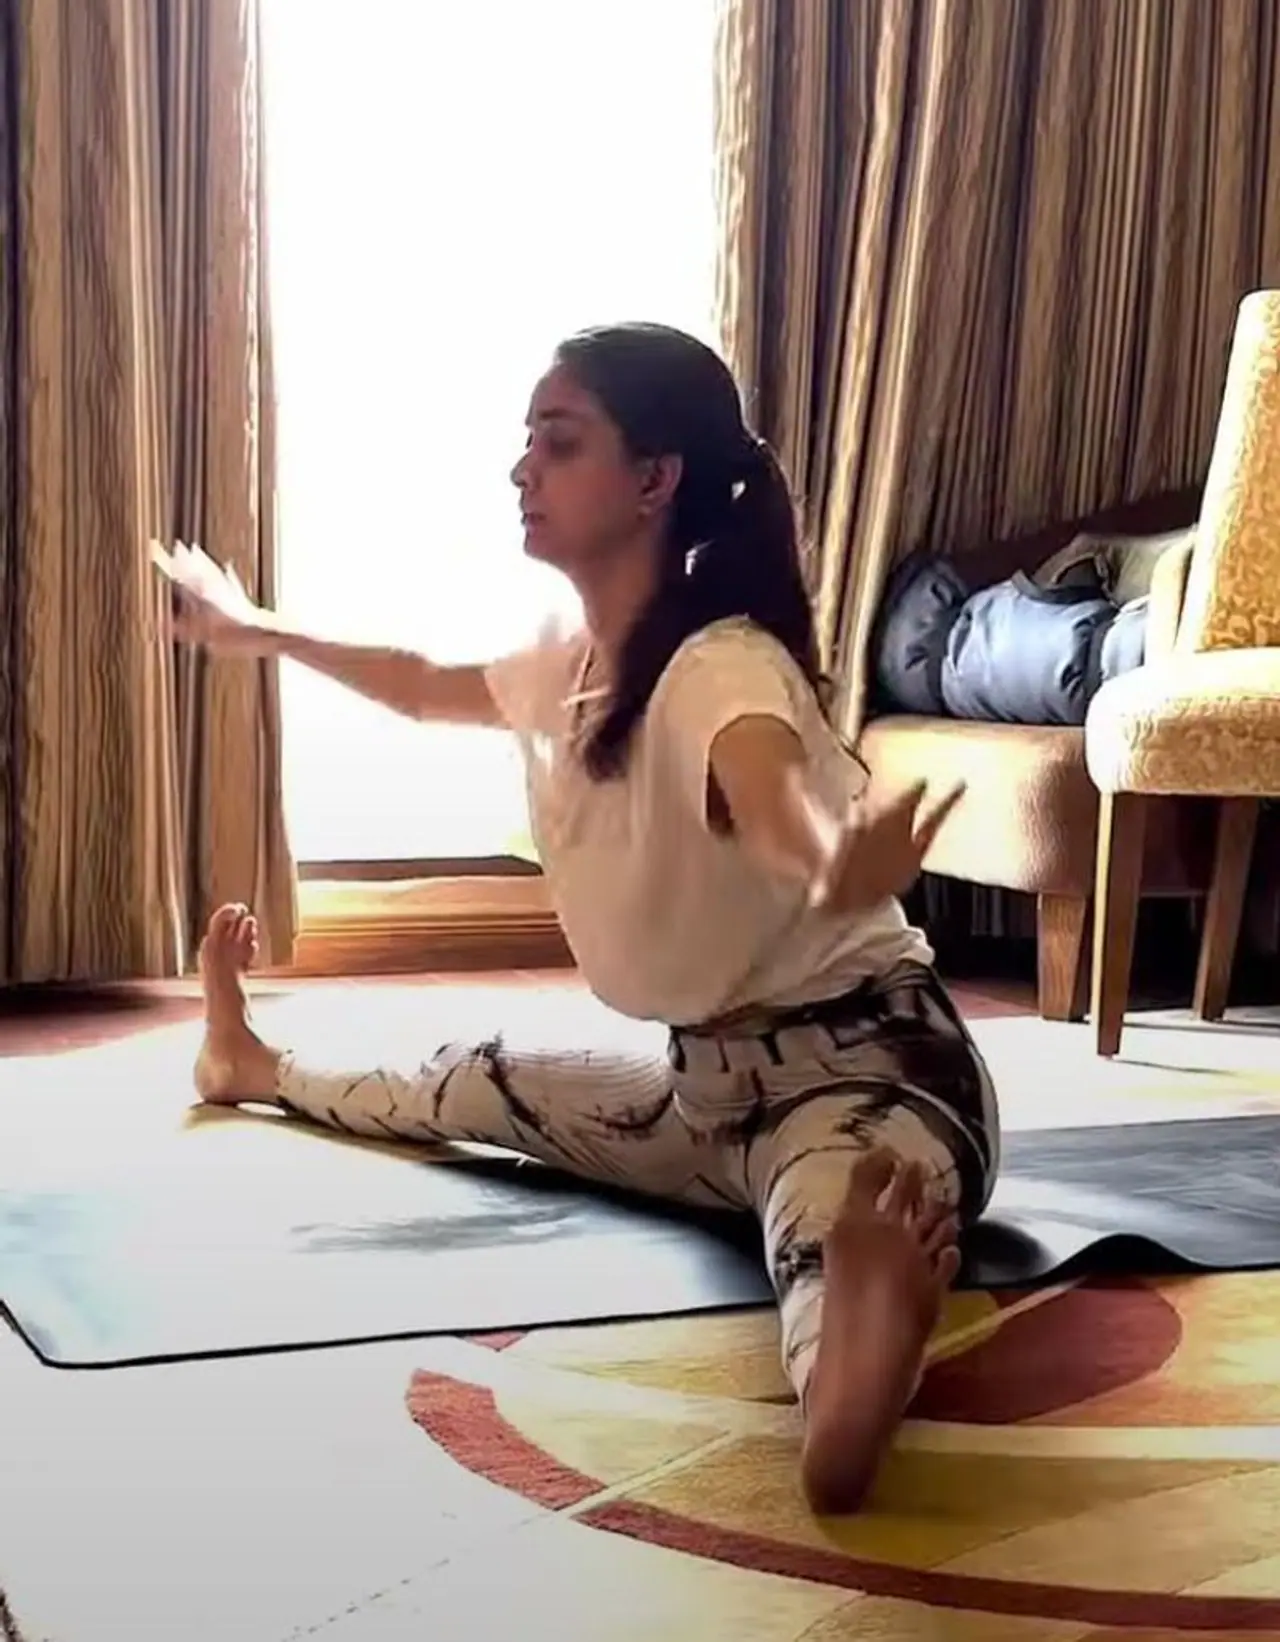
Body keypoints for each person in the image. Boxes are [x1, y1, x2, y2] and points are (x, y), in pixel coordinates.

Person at [154, 321, 999, 1516]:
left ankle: (849, 1382)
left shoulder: (719, 666)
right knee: (472, 1077)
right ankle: (252, 1064)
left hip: (873, 1080)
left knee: (823, 1232)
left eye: (558, 443)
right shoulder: (569, 666)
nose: (522, 470)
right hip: (703, 1101)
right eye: (527, 442)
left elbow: (767, 800)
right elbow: (416, 681)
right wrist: (257, 631)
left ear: (653, 479)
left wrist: (830, 861)